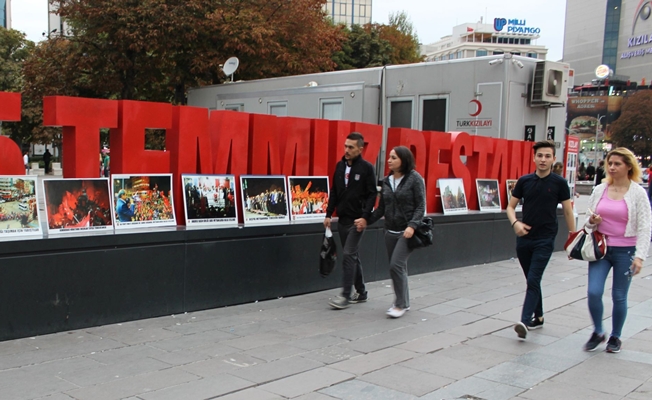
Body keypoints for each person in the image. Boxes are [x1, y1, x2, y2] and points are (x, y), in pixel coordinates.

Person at [582, 148, 651, 353]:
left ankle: (615, 336)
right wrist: (592, 220)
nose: (612, 167)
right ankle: (598, 331)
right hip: (601, 249)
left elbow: (645, 226)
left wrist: (640, 257)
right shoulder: (600, 189)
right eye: (610, 163)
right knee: (594, 292)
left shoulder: (637, 192)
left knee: (619, 295)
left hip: (626, 251)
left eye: (617, 164)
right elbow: (588, 218)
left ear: (629, 166)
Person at [507, 140, 576, 339]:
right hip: (524, 239)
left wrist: (573, 238)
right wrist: (515, 224)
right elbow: (510, 207)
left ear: (554, 159)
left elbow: (568, 211)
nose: (543, 160)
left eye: (547, 156)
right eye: (540, 156)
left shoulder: (559, 183)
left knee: (534, 279)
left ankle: (525, 320)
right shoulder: (524, 181)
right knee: (531, 279)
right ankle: (539, 316)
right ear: (534, 158)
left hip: (545, 239)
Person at [363, 146, 426, 318]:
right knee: (399, 267)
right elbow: (381, 208)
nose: (389, 160)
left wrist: (412, 226)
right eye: (389, 157)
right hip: (389, 230)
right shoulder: (386, 181)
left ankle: (400, 304)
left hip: (406, 232)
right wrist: (366, 220)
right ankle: (404, 301)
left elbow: (421, 206)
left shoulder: (415, 179)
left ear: (403, 160)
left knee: (395, 266)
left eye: (393, 157)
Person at [324, 132, 377, 309]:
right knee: (352, 255)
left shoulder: (367, 168)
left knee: (348, 254)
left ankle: (345, 295)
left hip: (357, 221)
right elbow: (334, 191)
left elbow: (372, 194)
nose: (347, 150)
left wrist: (365, 216)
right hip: (342, 219)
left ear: (360, 149)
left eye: (351, 147)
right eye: (345, 146)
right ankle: (361, 292)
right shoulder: (339, 166)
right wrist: (328, 214)